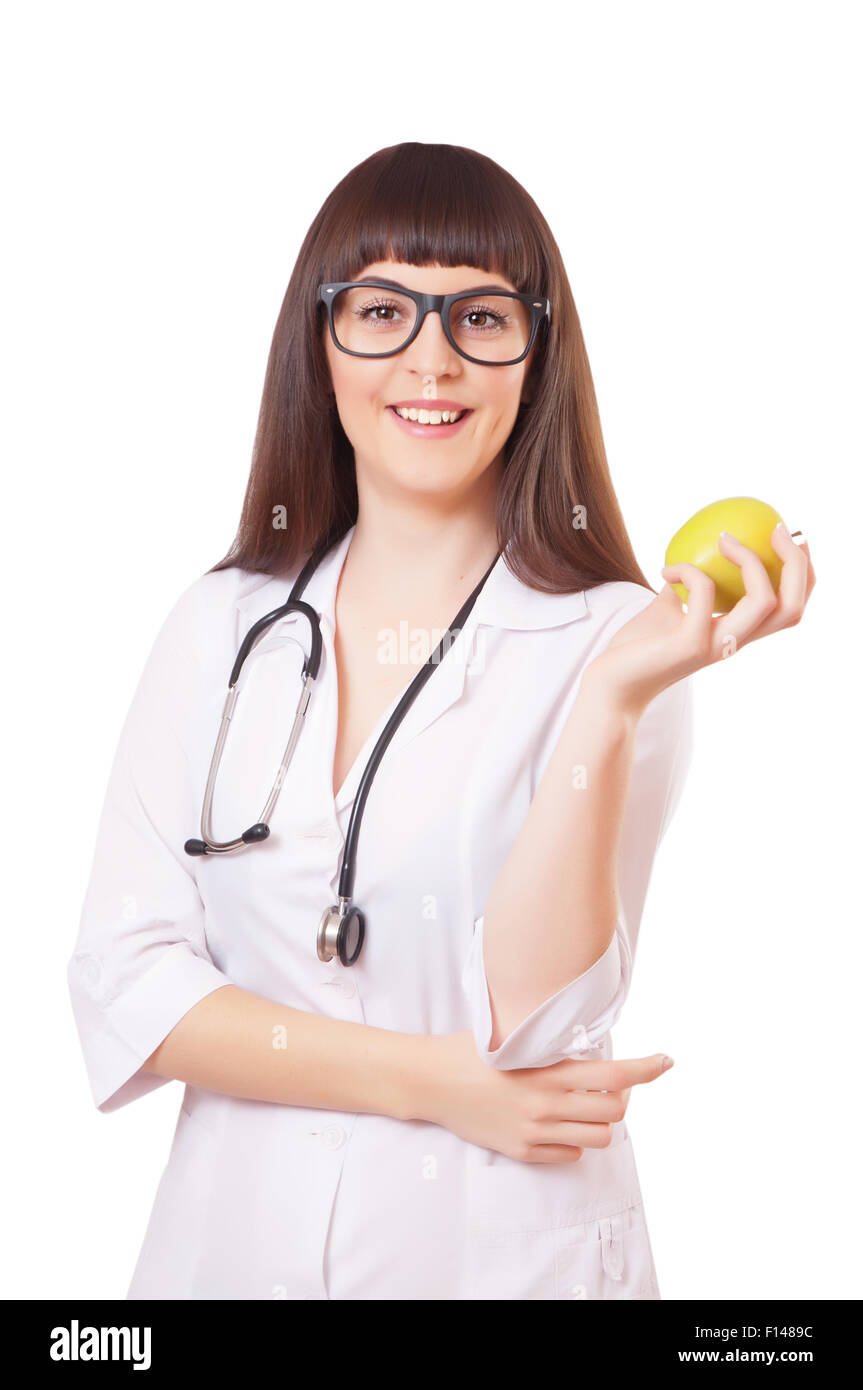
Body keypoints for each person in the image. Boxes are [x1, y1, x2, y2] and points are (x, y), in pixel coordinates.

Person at [67, 142, 815, 1301]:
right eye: (381, 309)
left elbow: (533, 1021)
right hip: (231, 1254)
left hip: (494, 1261)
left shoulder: (617, 642)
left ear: (535, 351)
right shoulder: (221, 626)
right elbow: (126, 985)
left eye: (479, 315)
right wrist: (433, 1082)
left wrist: (609, 704)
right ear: (318, 342)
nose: (431, 358)